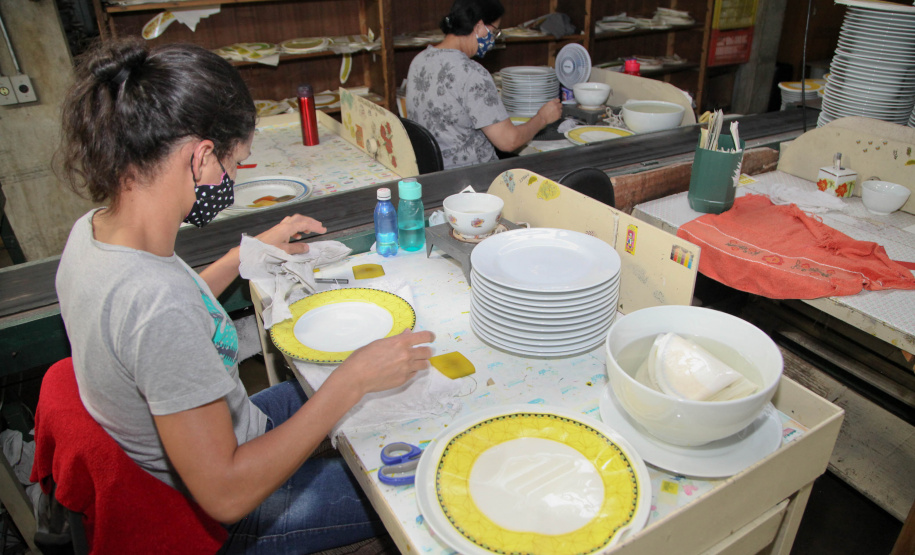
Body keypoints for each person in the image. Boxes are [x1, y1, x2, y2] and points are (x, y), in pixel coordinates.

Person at [55, 37, 435, 553]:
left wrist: (246, 255)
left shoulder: (96, 232)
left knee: (382, 397)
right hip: (233, 508)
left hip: (224, 428)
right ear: (200, 156)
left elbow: (174, 310)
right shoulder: (153, 302)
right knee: (419, 489)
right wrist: (349, 382)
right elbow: (228, 494)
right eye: (232, 166)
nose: (230, 181)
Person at [406, 0, 562, 169]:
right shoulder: (471, 73)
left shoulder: (419, 60)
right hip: (473, 178)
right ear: (479, 26)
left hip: (435, 175)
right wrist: (543, 118)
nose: (493, 40)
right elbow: (509, 141)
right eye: (494, 32)